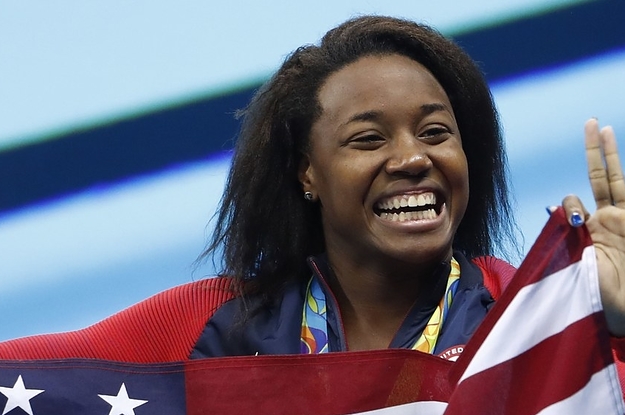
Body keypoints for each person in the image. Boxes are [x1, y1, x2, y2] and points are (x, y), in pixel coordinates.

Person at [1, 13, 624, 383]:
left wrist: (618, 332)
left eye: (436, 132)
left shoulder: (533, 315)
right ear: (307, 174)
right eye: (368, 139)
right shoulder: (213, 326)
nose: (412, 159)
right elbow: (34, 378)